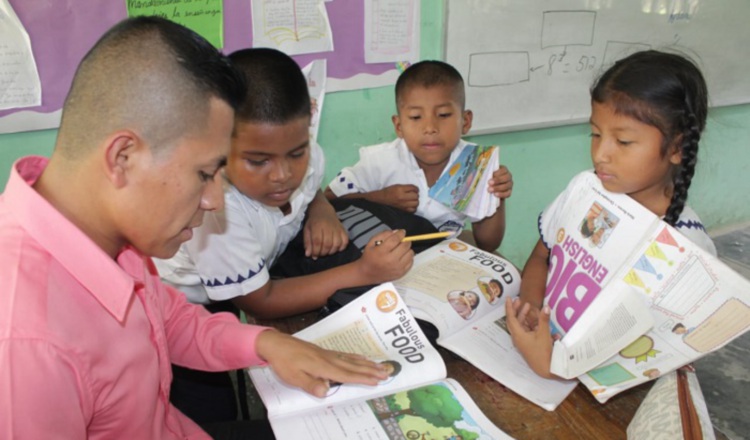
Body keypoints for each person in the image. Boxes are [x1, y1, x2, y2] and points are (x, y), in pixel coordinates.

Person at [0, 17, 388, 439]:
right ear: (123, 157)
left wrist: (268, 344)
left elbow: (170, 320)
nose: (214, 201)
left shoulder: (105, 233)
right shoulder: (24, 345)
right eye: (205, 174)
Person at [154, 47, 414, 322]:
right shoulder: (216, 212)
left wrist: (320, 210)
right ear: (219, 145)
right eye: (258, 161)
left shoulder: (310, 155)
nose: (282, 175)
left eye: (296, 153)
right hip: (182, 307)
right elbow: (261, 301)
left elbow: (311, 187)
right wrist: (364, 272)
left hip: (245, 274)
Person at [505, 50, 718, 379]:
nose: (601, 153)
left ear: (677, 148)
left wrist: (553, 367)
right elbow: (541, 257)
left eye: (623, 140)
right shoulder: (584, 191)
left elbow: (650, 357)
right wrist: (532, 309)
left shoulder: (686, 248)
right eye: (595, 134)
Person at [324, 60, 514, 252]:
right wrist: (380, 198)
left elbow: (488, 243)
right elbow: (329, 199)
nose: (430, 128)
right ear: (399, 126)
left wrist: (496, 196)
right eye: (416, 117)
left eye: (444, 114)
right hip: (383, 261)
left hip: (443, 260)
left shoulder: (475, 164)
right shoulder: (379, 160)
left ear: (465, 121)